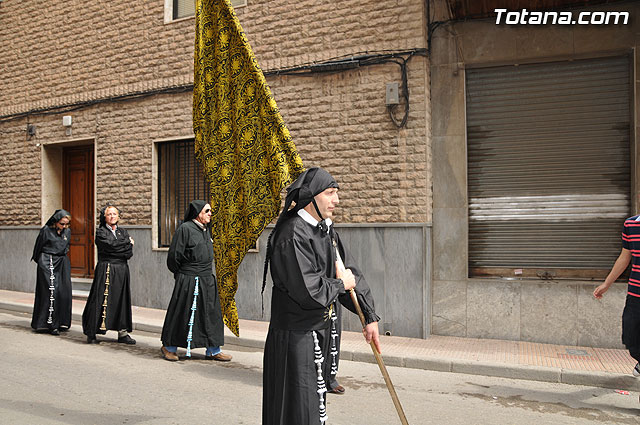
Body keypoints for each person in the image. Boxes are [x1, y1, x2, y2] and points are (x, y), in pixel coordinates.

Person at [262, 167, 381, 425]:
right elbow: (309, 290)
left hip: (318, 332)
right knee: (297, 413)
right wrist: (340, 284)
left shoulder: (326, 231)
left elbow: (350, 273)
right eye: (330, 193)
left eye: (336, 193)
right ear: (312, 197)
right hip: (296, 339)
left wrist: (369, 316)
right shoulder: (292, 234)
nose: (336, 200)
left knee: (314, 410)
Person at [160, 200, 231, 362]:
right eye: (207, 211)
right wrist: (183, 275)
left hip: (207, 278)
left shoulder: (206, 230)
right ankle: (169, 347)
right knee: (181, 312)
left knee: (210, 314)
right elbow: (174, 257)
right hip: (188, 278)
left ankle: (213, 350)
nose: (210, 214)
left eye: (210, 211)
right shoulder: (185, 229)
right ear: (198, 213)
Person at [594, 214, 640, 379]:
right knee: (630, 336)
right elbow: (625, 257)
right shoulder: (630, 224)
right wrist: (607, 284)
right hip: (635, 294)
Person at [82, 205, 136, 345]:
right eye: (109, 214)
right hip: (106, 268)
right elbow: (109, 247)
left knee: (121, 300)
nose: (112, 216)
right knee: (100, 298)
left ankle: (122, 332)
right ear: (104, 217)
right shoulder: (100, 232)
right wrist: (127, 243)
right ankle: (92, 331)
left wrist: (122, 247)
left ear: (118, 216)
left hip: (122, 269)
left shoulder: (122, 231)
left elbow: (128, 253)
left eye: (114, 214)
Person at [31, 209, 73, 335]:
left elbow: (67, 246)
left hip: (62, 262)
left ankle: (61, 322)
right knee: (51, 290)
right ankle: (49, 324)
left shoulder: (67, 232)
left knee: (63, 291)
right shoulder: (46, 231)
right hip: (47, 260)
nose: (64, 226)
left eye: (66, 224)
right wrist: (42, 262)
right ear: (56, 222)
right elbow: (38, 248)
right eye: (62, 224)